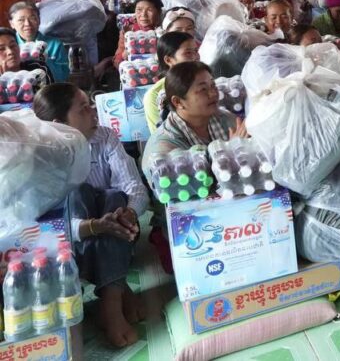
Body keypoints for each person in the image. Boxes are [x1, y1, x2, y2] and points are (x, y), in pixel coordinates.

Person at [33, 83, 147, 348]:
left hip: (120, 230)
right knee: (78, 192)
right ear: (59, 124)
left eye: (90, 105)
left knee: (115, 197)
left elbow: (134, 187)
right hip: (71, 248)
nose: (93, 112)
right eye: (83, 109)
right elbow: (48, 228)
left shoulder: (104, 137)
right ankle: (117, 292)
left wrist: (129, 213)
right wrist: (94, 226)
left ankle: (110, 300)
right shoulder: (41, 157)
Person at [142, 62, 244, 174]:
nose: (213, 93)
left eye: (213, 85)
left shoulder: (226, 119)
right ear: (178, 102)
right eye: (203, 89)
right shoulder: (164, 150)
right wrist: (231, 153)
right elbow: (188, 183)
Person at [143, 31, 200, 135]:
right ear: (169, 60)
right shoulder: (154, 95)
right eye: (188, 53)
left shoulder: (205, 81)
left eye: (196, 51)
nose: (195, 57)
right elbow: (161, 136)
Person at [8, 2, 70, 81]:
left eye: (32, 18)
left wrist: (45, 61)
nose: (27, 24)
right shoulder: (8, 46)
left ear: (39, 20)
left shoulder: (55, 44)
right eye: (21, 20)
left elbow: (63, 76)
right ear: (12, 24)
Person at [114, 0, 162, 66]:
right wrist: (124, 56)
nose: (143, 14)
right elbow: (117, 60)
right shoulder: (127, 31)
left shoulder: (164, 30)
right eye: (139, 10)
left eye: (149, 10)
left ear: (159, 12)